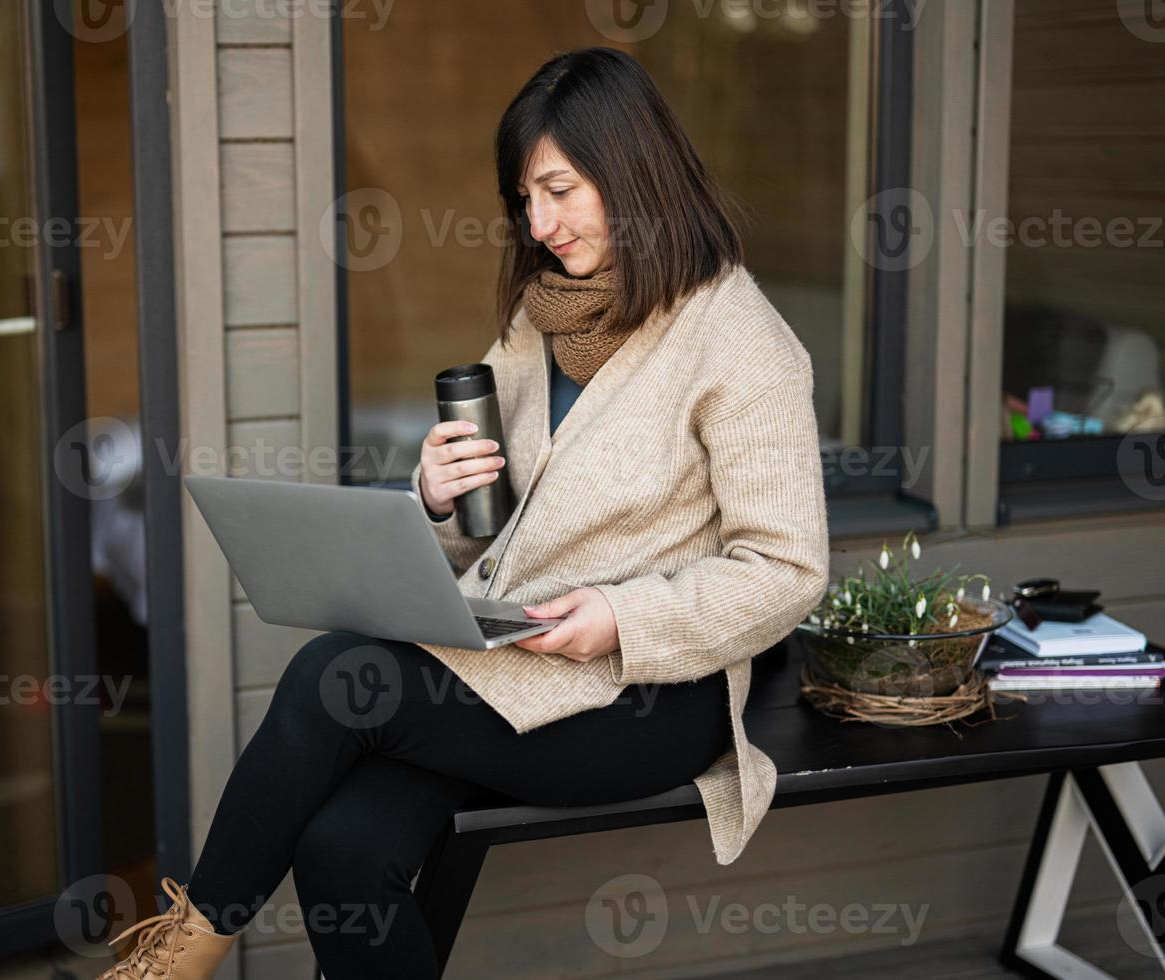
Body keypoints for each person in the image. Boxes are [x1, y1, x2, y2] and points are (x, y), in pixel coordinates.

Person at [100, 47, 829, 980]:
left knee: (339, 675)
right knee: (343, 849)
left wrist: (623, 616)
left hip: (640, 695)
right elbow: (500, 522)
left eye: (560, 190)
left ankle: (174, 965)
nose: (541, 223)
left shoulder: (740, 340)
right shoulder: (544, 322)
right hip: (505, 667)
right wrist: (437, 500)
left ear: (634, 170)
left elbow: (785, 569)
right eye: (526, 198)